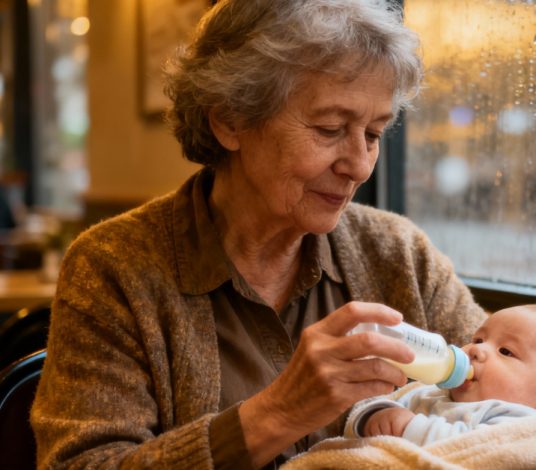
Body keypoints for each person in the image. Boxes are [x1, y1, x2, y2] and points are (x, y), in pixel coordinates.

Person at [30, 1, 486, 468]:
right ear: (230, 119)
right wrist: (279, 413)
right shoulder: (113, 267)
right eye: (330, 129)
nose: (359, 166)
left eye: (373, 134)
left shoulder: (399, 254)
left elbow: (512, 389)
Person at [345, 304, 536, 446]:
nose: (476, 350)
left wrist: (408, 427)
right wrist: (374, 415)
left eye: (505, 351)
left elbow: (470, 449)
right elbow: (367, 412)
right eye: (479, 339)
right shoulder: (431, 393)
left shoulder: (521, 422)